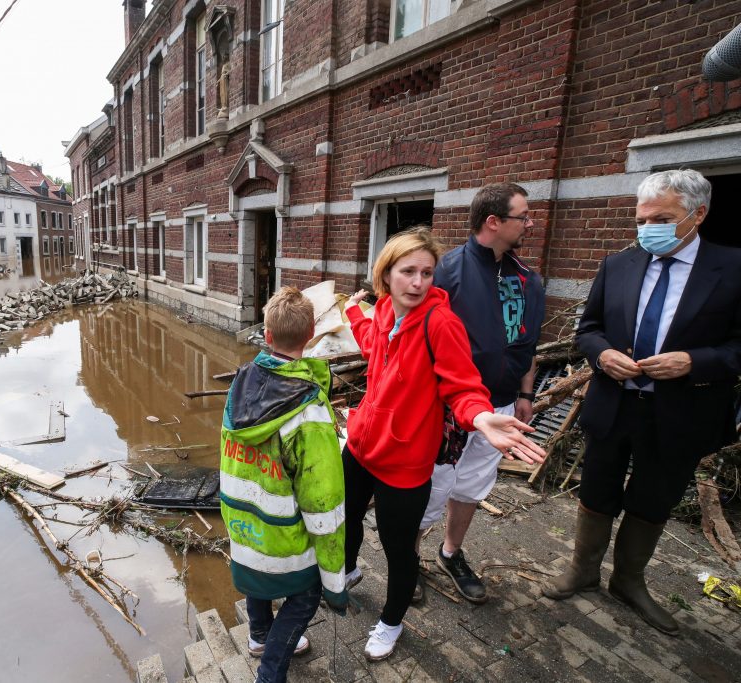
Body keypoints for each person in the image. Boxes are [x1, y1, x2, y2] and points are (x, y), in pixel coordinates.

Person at [543, 169, 741, 635]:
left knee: (654, 498)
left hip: (681, 412)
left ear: (698, 215)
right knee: (596, 491)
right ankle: (583, 570)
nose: (647, 227)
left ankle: (629, 581)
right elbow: (587, 329)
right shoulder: (619, 265)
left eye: (662, 218)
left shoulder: (732, 268)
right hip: (614, 404)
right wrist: (603, 354)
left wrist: (694, 361)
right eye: (641, 218)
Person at [342, 229, 546, 661]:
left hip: (405, 459)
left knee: (399, 551)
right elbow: (372, 343)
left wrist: (482, 415)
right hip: (361, 445)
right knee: (348, 520)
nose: (418, 283)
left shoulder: (441, 323)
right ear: (386, 275)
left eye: (427, 273)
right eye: (408, 272)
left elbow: (463, 386)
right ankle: (348, 570)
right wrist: (351, 313)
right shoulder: (381, 311)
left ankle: (391, 622)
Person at [415, 182, 545, 604]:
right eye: (523, 216)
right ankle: (408, 557)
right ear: (494, 222)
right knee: (433, 486)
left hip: (502, 406)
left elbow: (526, 343)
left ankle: (450, 553)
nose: (530, 222)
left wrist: (525, 394)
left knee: (471, 484)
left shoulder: (525, 278)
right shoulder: (447, 272)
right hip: (449, 411)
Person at [220, 286, 348, 683]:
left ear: (267, 335)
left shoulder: (241, 382)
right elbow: (322, 500)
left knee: (258, 579)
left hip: (243, 524)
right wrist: (334, 576)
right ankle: (269, 672)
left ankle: (259, 634)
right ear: (311, 334)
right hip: (285, 536)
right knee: (305, 596)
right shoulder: (308, 409)